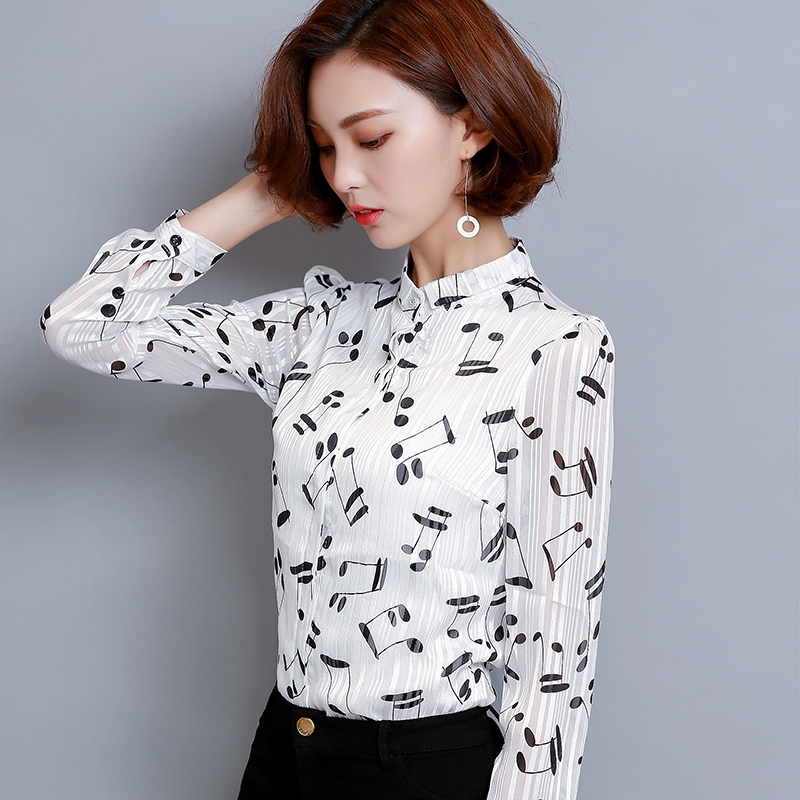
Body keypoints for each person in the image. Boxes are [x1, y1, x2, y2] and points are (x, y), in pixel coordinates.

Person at [40, 0, 615, 798]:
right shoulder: (316, 325)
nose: (344, 176)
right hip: (287, 750)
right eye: (323, 146)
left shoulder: (555, 347)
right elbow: (83, 328)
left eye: (371, 139)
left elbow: (556, 642)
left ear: (474, 127)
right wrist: (263, 193)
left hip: (426, 771)